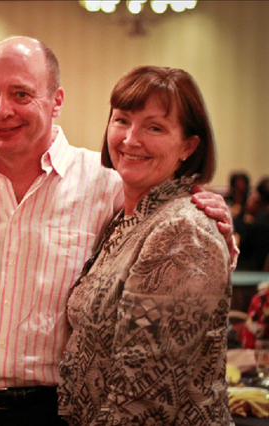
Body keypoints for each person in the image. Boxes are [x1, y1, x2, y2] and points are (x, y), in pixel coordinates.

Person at [0, 36, 234, 426]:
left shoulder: (106, 183)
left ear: (56, 101)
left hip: (56, 411)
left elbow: (180, 246)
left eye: (21, 94)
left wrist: (214, 223)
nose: (2, 110)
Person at [58, 66, 232, 425]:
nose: (130, 139)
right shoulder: (126, 219)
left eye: (154, 128)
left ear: (189, 146)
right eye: (122, 120)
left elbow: (145, 402)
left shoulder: (184, 231)